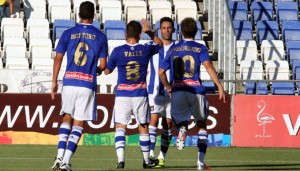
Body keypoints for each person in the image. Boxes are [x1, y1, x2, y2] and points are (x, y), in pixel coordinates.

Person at [159, 17, 226, 170]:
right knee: (202, 125)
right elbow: (208, 66)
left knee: (179, 121)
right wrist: (219, 86)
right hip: (196, 90)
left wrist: (169, 86)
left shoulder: (173, 49)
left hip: (178, 90)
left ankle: (182, 128)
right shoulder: (199, 48)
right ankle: (200, 163)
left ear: (181, 32)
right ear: (196, 32)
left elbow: (161, 72)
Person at [50, 1, 108, 171]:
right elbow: (103, 66)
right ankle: (65, 162)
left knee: (66, 118)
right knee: (79, 123)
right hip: (86, 83)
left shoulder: (68, 33)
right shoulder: (101, 36)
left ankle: (59, 157)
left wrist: (54, 82)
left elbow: (58, 58)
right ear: (94, 16)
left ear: (78, 14)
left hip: (69, 82)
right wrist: (95, 70)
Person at [104, 19, 163, 169]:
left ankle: (121, 160)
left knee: (120, 126)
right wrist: (149, 31)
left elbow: (106, 71)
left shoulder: (118, 50)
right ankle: (146, 161)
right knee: (143, 126)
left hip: (122, 94)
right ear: (140, 34)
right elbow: (160, 44)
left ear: (125, 34)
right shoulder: (145, 49)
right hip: (140, 94)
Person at [147, 17, 175, 167]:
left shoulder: (177, 48)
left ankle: (162, 156)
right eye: (163, 28)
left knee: (168, 124)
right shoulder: (152, 47)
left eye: (169, 28)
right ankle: (150, 154)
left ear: (173, 30)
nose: (166, 30)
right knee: (153, 119)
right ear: (159, 30)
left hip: (172, 93)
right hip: (154, 91)